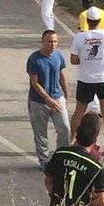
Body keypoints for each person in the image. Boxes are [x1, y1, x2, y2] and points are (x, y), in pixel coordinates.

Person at [69, 7, 104, 157]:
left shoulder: (79, 37)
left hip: (85, 79)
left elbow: (73, 60)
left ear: (86, 21)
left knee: (79, 111)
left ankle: (71, 141)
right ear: (100, 20)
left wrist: (86, 59)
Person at [27, 30, 71, 171]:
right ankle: (44, 160)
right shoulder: (34, 59)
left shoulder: (58, 56)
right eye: (50, 41)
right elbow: (34, 83)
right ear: (43, 42)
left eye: (55, 41)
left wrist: (66, 92)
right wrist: (47, 98)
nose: (53, 44)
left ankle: (62, 157)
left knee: (64, 128)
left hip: (58, 98)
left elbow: (61, 74)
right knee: (41, 133)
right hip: (39, 102)